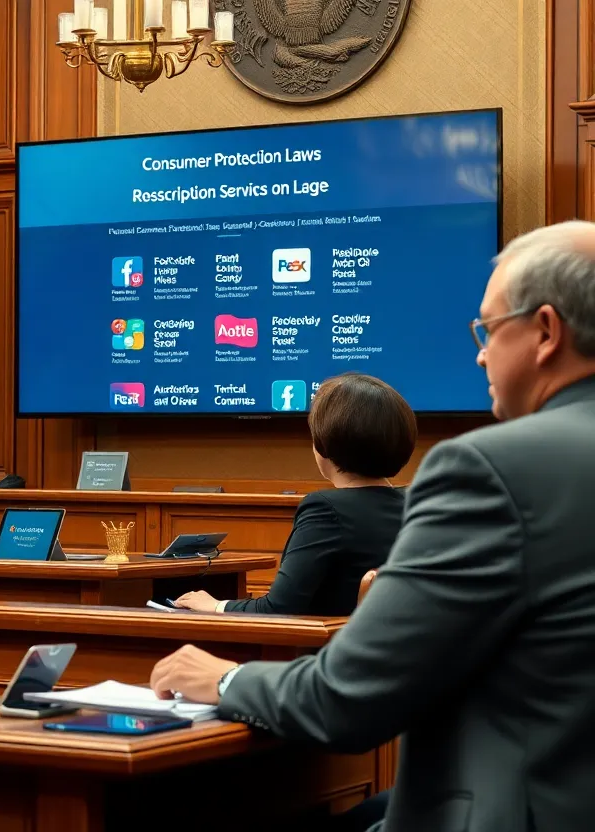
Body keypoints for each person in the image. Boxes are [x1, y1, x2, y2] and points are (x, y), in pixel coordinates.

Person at [148, 220, 595, 831]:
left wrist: (224, 678)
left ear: (545, 331)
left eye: (489, 329)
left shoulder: (489, 470)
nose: (480, 353)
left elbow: (349, 699)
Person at [174, 374, 414, 616]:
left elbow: (278, 609)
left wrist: (215, 605)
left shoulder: (325, 510)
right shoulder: (417, 504)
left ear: (323, 444)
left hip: (333, 640)